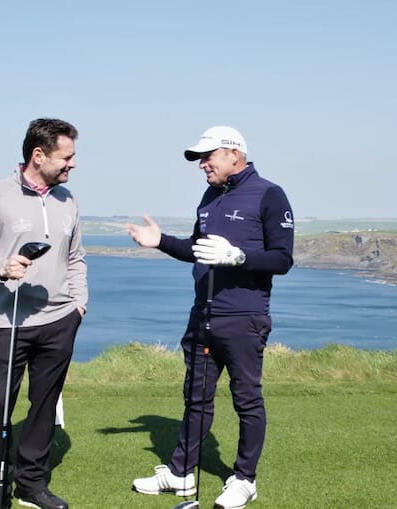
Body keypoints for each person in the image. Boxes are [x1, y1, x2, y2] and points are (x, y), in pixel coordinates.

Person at [128, 126, 294, 509]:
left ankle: (244, 479)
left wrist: (238, 256)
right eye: (200, 158)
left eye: (208, 156)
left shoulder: (269, 194)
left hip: (244, 316)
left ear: (234, 154)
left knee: (246, 399)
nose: (202, 164)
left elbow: (282, 258)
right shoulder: (209, 197)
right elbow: (197, 249)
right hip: (203, 313)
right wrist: (161, 242)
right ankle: (181, 473)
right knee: (196, 397)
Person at [0, 118, 88, 509]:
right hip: (9, 322)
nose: (72, 164)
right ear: (38, 155)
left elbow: (76, 257)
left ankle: (31, 484)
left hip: (60, 320)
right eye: (66, 157)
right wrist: (1, 267)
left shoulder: (67, 200)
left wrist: (78, 304)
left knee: (45, 404)